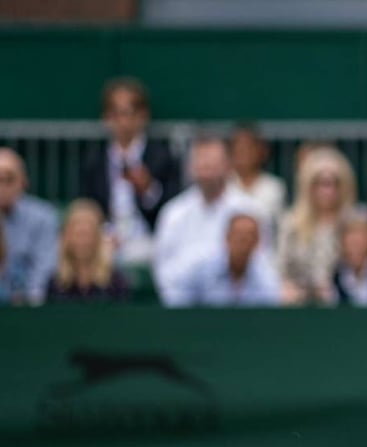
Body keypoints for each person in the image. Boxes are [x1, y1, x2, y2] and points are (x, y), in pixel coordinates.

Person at [153, 134, 270, 305]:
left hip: (243, 309)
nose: (206, 169)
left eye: (212, 163)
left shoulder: (251, 211)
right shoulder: (173, 214)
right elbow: (164, 275)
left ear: (228, 165)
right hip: (186, 312)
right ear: (190, 167)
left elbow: (263, 268)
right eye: (201, 162)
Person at [79, 77, 182, 269]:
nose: (121, 121)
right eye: (114, 113)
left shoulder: (162, 157)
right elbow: (90, 206)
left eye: (127, 113)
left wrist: (149, 190)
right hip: (108, 242)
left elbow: (172, 211)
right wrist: (106, 233)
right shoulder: (95, 161)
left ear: (143, 116)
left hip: (150, 240)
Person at [277, 145, 357, 304]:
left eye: (335, 183)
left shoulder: (355, 222)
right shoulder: (291, 223)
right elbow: (280, 268)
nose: (328, 191)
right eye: (321, 183)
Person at [165, 212, 280, 307]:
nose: (243, 241)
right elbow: (177, 302)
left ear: (257, 242)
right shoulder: (198, 267)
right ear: (227, 238)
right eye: (238, 235)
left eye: (249, 236)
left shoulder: (266, 278)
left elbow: (269, 312)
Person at [0, 148, 59, 305]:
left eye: (9, 179)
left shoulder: (43, 217)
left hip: (29, 307)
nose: (2, 187)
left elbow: (44, 270)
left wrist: (29, 308)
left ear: (23, 181)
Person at [45, 199, 131, 304]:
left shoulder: (116, 282)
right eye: (77, 234)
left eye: (87, 234)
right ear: (67, 238)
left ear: (98, 238)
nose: (82, 241)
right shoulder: (56, 283)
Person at [229, 123, 287, 225]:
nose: (243, 153)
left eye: (248, 148)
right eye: (238, 148)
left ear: (261, 151)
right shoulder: (224, 185)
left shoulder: (274, 187)